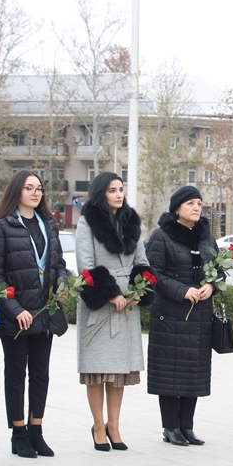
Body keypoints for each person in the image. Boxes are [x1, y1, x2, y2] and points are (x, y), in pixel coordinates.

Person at [0, 170, 69, 459]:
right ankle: (18, 432)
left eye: (39, 188)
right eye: (29, 188)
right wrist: (15, 309)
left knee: (41, 374)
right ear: (16, 192)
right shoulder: (2, 228)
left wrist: (61, 284)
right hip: (17, 317)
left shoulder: (49, 224)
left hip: (45, 313)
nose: (36, 193)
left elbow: (59, 263)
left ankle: (36, 430)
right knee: (15, 374)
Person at [75, 172, 154, 451]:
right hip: (100, 304)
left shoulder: (131, 222)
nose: (119, 194)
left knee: (118, 371)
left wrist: (137, 291)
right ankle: (98, 425)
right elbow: (85, 264)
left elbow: (142, 262)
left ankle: (114, 426)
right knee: (97, 370)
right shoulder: (87, 222)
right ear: (100, 193)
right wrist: (110, 294)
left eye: (121, 189)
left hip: (126, 307)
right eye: (112, 190)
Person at [145, 186, 219, 446]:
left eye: (199, 203)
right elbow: (153, 274)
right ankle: (171, 427)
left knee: (193, 372)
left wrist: (211, 285)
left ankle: (187, 427)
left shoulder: (206, 238)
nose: (197, 208)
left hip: (199, 316)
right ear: (177, 209)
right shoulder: (161, 236)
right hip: (170, 315)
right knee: (169, 373)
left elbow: (217, 269)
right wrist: (182, 290)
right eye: (190, 204)